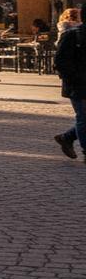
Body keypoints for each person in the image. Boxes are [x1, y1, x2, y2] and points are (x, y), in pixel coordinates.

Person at [53, 8, 85, 163]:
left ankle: (67, 137)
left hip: (77, 83)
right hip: (78, 85)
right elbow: (60, 61)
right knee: (84, 117)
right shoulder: (73, 35)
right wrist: (74, 79)